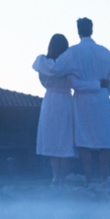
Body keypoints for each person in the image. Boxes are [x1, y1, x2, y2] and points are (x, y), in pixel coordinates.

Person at [51, 16, 110, 181]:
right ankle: (104, 179)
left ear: (78, 31)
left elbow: (57, 69)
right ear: (92, 29)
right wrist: (102, 90)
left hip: (82, 100)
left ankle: (89, 179)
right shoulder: (105, 52)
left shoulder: (72, 52)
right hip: (102, 100)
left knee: (84, 141)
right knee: (104, 141)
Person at [31, 34, 78, 182]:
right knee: (62, 140)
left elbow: (46, 77)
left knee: (55, 140)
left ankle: (56, 177)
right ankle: (60, 178)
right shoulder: (68, 64)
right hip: (63, 100)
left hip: (51, 101)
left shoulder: (44, 63)